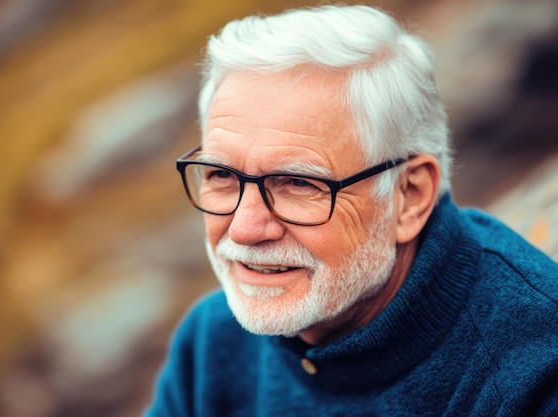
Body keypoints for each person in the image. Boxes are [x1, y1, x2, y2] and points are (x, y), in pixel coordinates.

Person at [146, 4, 558, 416]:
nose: (244, 229)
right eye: (221, 174)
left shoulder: (534, 371)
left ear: (410, 196)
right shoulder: (211, 340)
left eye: (298, 183)